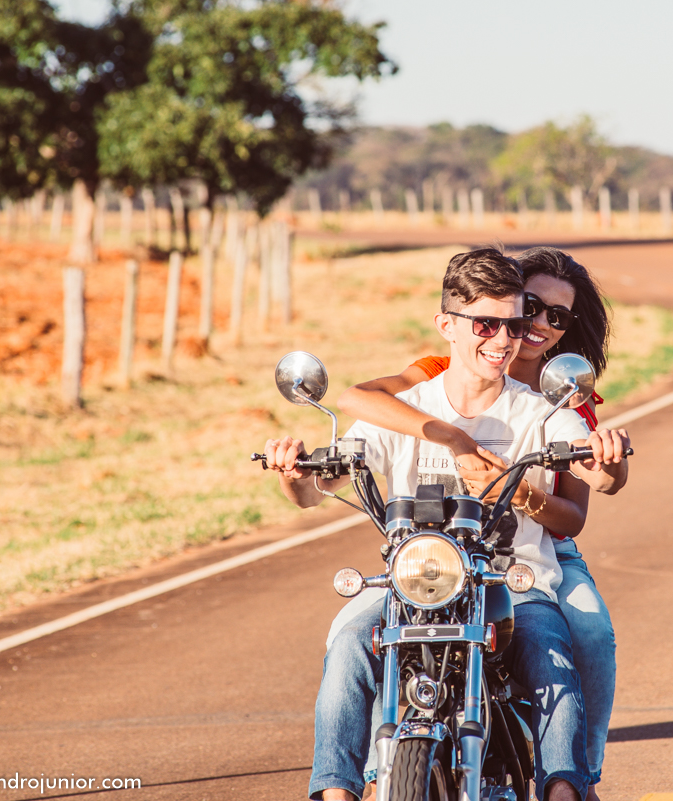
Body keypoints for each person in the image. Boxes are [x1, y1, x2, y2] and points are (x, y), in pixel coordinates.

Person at [264, 248, 626, 801]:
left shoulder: (544, 412)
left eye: (513, 325)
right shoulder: (408, 409)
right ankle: (338, 791)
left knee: (555, 658)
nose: (504, 339)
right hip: (415, 582)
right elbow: (314, 491)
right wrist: (293, 472)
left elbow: (598, 480)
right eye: (486, 325)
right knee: (348, 645)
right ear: (446, 326)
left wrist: (606, 458)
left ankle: (567, 789)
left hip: (514, 581)